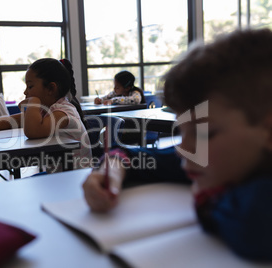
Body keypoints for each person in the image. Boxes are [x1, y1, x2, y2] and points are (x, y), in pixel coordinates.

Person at [83, 28, 272, 261]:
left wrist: (207, 199)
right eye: (182, 132)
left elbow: (256, 224)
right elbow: (138, 156)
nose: (184, 149)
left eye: (205, 133)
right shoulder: (215, 158)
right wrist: (111, 167)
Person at [0, 58, 92, 170]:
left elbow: (33, 132)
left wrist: (33, 103)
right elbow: (11, 121)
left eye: (30, 87)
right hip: (58, 176)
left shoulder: (63, 112)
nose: (25, 92)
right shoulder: (46, 109)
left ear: (51, 89)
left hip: (76, 180)